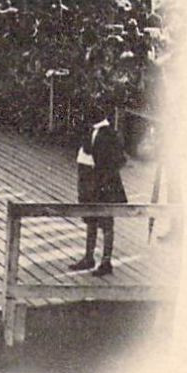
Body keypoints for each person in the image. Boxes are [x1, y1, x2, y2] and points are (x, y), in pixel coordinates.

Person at [71, 101, 127, 276]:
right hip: (89, 183)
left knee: (106, 224)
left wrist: (103, 182)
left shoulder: (108, 135)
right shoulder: (92, 132)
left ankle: (106, 261)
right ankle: (89, 257)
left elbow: (118, 161)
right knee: (90, 220)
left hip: (103, 186)